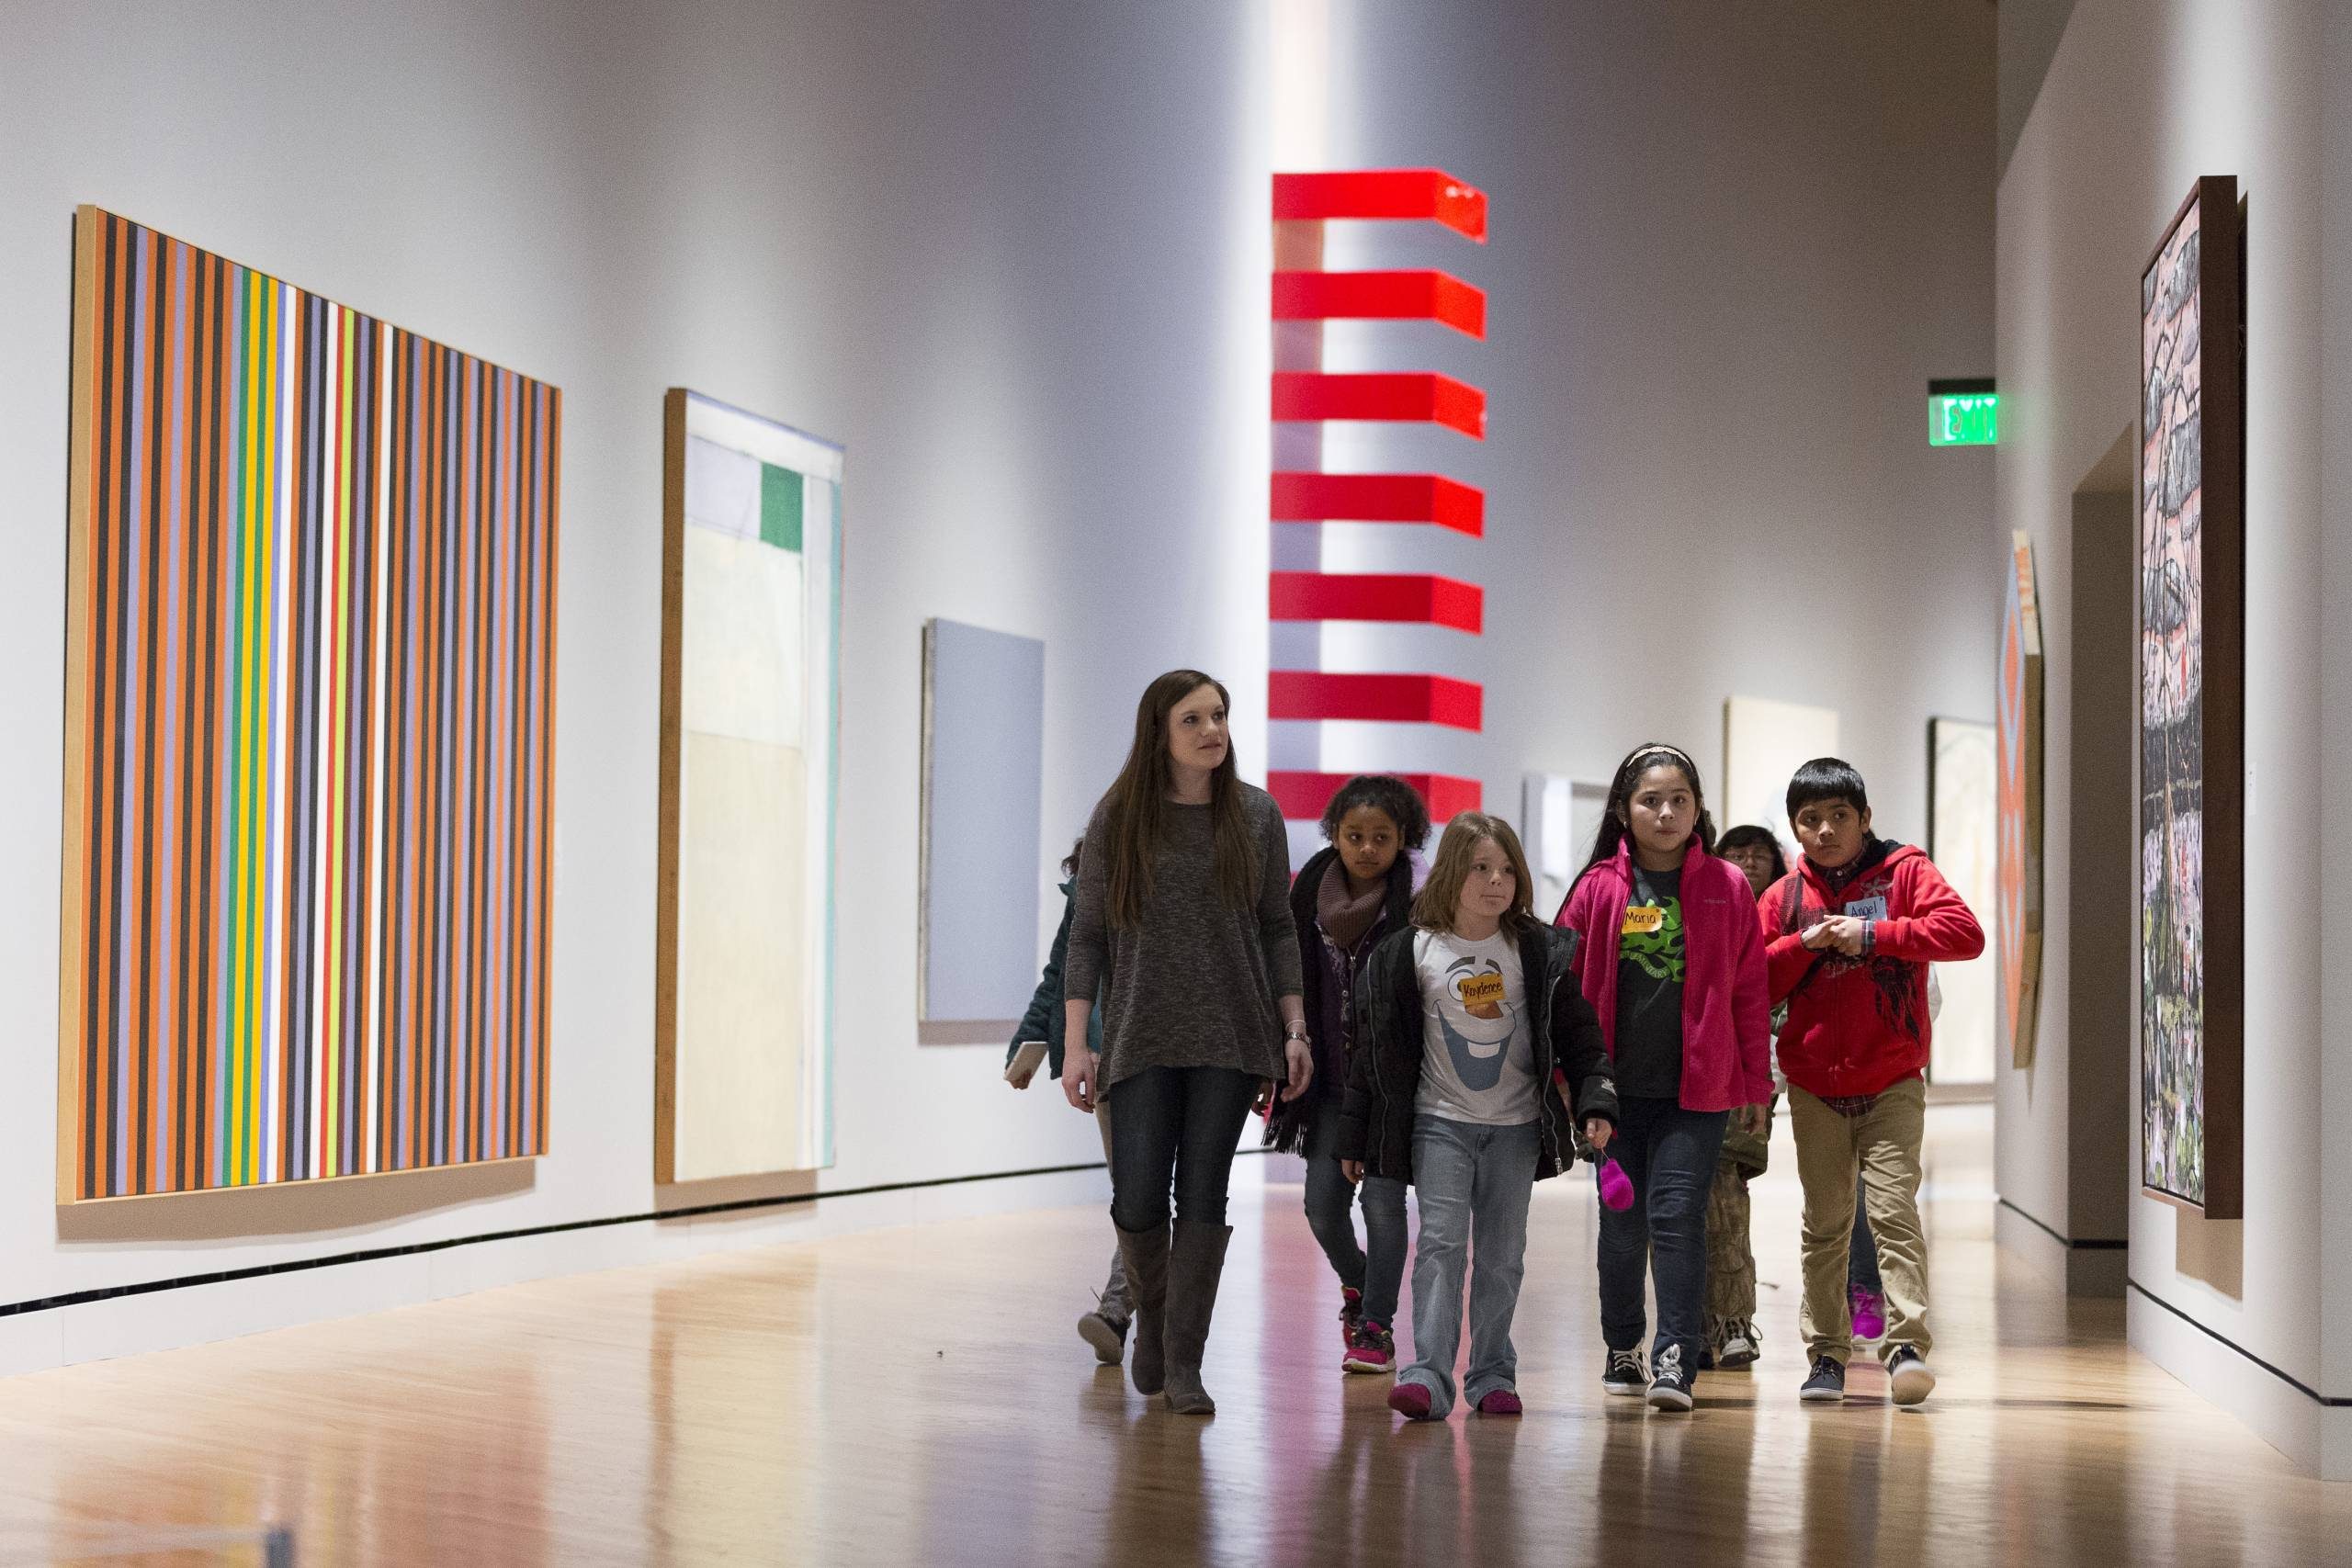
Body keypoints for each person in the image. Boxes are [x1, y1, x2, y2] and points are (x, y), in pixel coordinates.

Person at [1060, 671, 1311, 1416]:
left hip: (1233, 1036)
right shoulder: (1121, 816)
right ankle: (1157, 1327)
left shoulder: (1257, 816)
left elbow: (1277, 927)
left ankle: (1186, 1363)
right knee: (1136, 1197)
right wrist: (1078, 1044)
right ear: (1159, 732)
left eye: (1220, 715)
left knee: (1202, 1192)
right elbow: (1088, 935)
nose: (1213, 729)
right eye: (1194, 718)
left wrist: (1293, 1029)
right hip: (1140, 1033)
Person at [1340, 811, 1617, 1422]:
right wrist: (1353, 1133)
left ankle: (1492, 1371)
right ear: (1450, 875)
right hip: (1438, 1123)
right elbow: (1373, 1055)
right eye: (1481, 868)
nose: (1496, 881)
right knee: (1440, 1244)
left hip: (1515, 1129)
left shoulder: (1536, 950)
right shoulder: (1410, 951)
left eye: (1507, 869)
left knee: (1501, 1254)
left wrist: (1596, 1096)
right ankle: (1428, 1374)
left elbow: (1580, 1033)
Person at [1555, 745, 1772, 1413]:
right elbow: (1560, 987)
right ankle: (1624, 1344)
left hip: (1696, 1094)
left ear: (1699, 806)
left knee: (1678, 1218)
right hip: (1610, 1095)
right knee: (1623, 1226)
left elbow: (1749, 992)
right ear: (1624, 810)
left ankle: (1676, 1355)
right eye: (1651, 799)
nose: (1666, 811)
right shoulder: (1597, 888)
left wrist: (1755, 1086)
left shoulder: (1728, 887)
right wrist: (1568, 1078)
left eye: (1679, 798)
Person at [1761, 758, 1984, 1408]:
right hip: (1812, 1087)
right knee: (1826, 1222)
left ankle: (1906, 1345)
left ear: (1865, 817)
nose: (1825, 830)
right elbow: (1752, 979)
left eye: (1839, 817)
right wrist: (1805, 944)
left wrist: (1872, 933)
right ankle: (1826, 1353)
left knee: (1891, 1213)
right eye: (1810, 819)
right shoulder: (1784, 897)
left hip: (1892, 1078)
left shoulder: (1905, 870)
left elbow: (1964, 933)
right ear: (1795, 826)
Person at [1263, 775, 1430, 1376]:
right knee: (1323, 1208)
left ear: (1403, 838)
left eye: (1380, 837)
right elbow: (1281, 970)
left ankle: (1377, 1329)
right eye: (1354, 835)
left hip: (1393, 1086)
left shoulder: (1419, 899)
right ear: (1334, 834)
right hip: (1330, 1082)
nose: (1366, 848)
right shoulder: (1308, 891)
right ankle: (1359, 1284)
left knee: (1384, 1207)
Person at [1006, 840, 1130, 1365]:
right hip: (1105, 1065)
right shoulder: (1084, 892)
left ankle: (1123, 1313)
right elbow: (1058, 974)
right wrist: (1028, 1044)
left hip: (1168, 1059)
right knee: (1137, 1193)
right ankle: (1121, 1314)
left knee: (1155, 1195)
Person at [1700, 823, 1786, 1369]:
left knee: (1724, 1191)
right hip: (1694, 1070)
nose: (1749, 864)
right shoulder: (1705, 903)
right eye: (1738, 854)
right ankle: (1695, 1325)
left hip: (1749, 1076)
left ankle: (1732, 1322)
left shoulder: (1782, 913)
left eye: (1760, 855)